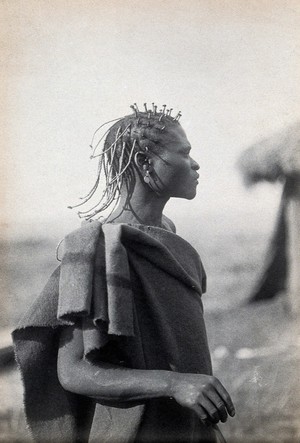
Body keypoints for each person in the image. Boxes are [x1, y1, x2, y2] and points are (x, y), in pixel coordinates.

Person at [13, 103, 235, 443]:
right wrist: (175, 384)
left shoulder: (167, 235)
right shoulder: (94, 247)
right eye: (184, 152)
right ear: (146, 164)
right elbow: (73, 370)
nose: (195, 163)